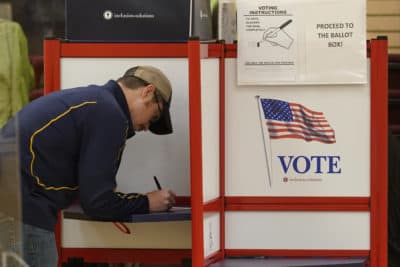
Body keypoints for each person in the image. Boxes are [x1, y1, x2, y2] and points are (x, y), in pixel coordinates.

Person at [1, 65, 177, 267]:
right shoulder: (110, 115)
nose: (146, 128)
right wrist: (147, 202)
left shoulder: (94, 101)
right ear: (148, 92)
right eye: (153, 117)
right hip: (21, 206)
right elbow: (97, 202)